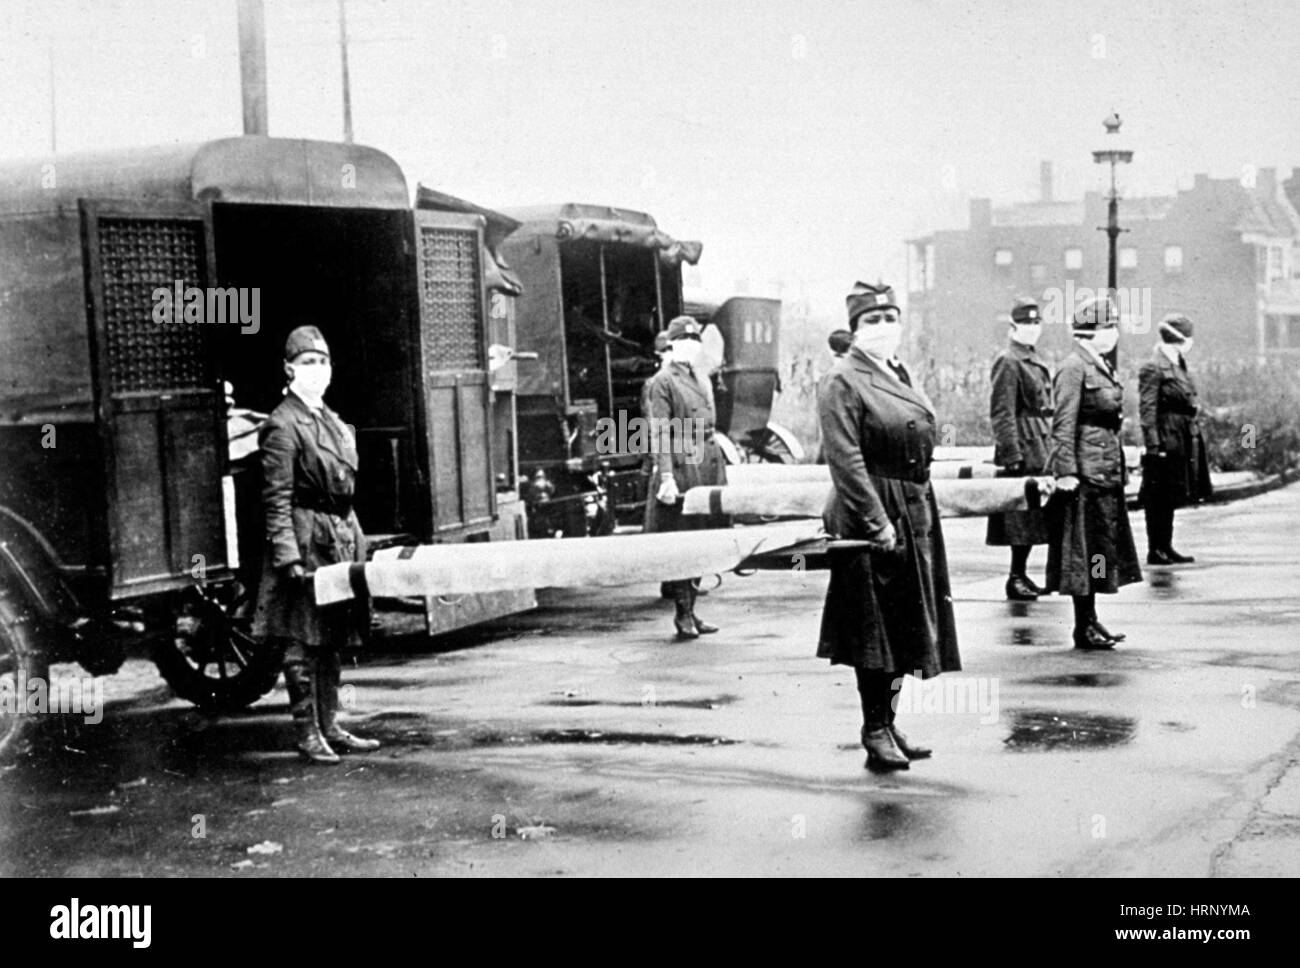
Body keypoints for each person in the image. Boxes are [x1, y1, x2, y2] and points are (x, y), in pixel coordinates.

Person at [817, 282, 959, 771]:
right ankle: (873, 727)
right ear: (855, 329)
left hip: (912, 505)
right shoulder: (844, 379)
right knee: (873, 629)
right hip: (871, 510)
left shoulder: (896, 371)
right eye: (871, 321)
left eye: (890, 318)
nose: (883, 328)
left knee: (904, 624)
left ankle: (889, 721)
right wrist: (877, 522)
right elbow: (846, 459)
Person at [252, 326, 379, 764]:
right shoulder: (282, 424)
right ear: (289, 369)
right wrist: (287, 555)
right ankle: (308, 734)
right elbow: (276, 499)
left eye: (323, 361)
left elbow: (344, 490)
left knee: (333, 635)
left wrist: (356, 541)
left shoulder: (331, 418)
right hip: (305, 541)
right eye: (308, 362)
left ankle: (331, 725)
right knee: (301, 641)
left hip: (337, 536)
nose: (318, 370)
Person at [1043, 296, 1142, 650]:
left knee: (1099, 549)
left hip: (1104, 470)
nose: (1114, 333)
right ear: (1093, 331)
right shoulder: (1073, 367)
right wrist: (1066, 471)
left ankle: (1091, 619)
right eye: (1109, 327)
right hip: (1085, 472)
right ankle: (1082, 624)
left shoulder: (1098, 364)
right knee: (1083, 551)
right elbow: (1063, 423)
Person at [644, 315, 728, 639]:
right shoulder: (662, 381)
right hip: (682, 463)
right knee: (684, 539)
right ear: (672, 344)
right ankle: (682, 614)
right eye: (684, 341)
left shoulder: (701, 376)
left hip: (708, 461)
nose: (690, 346)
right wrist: (666, 475)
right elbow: (660, 432)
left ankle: (692, 610)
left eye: (695, 341)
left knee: (705, 537)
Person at [986, 297, 1053, 600]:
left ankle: (1022, 574)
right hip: (1024, 444)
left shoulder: (1030, 357)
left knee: (1033, 517)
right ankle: (1015, 576)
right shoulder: (1009, 360)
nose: (1032, 328)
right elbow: (1002, 411)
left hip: (1040, 441)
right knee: (1020, 518)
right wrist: (1011, 452)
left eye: (1036, 323)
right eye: (1026, 323)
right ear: (1013, 325)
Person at [1139, 313, 1212, 564]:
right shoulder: (1154, 366)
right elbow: (1147, 409)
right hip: (1166, 434)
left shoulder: (1178, 362)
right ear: (1180, 339)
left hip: (1181, 434)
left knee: (1170, 494)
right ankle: (1155, 548)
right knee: (1158, 496)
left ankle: (1165, 546)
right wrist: (1153, 444)